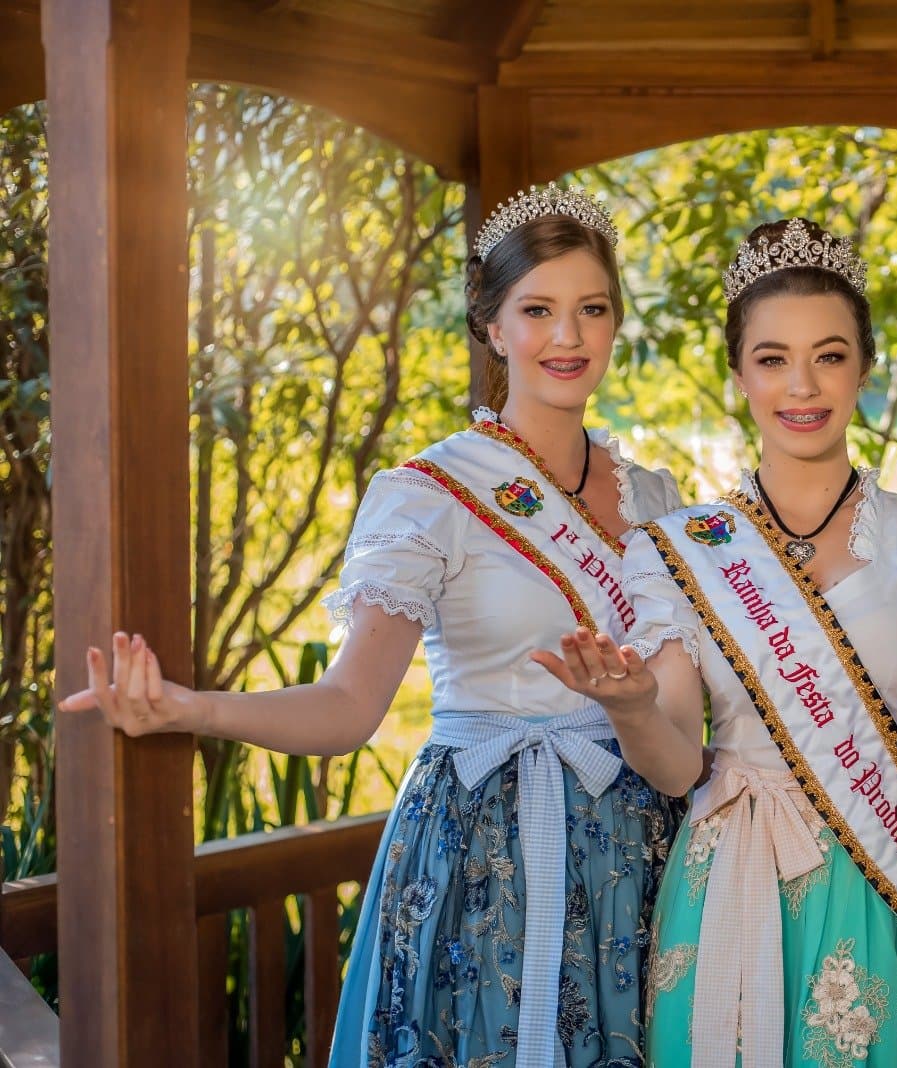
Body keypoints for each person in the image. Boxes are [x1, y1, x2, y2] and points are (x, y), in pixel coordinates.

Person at [59, 186, 685, 1068]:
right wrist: (185, 708)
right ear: (493, 327)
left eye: (592, 309)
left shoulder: (659, 501)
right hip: (484, 844)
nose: (569, 337)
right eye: (537, 310)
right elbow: (349, 708)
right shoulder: (430, 495)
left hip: (632, 838)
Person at [535, 217, 897, 1067]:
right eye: (773, 359)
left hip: (887, 880)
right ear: (739, 373)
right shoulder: (682, 548)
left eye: (830, 355)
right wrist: (630, 709)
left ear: (865, 368)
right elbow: (673, 767)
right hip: (732, 875)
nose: (802, 385)